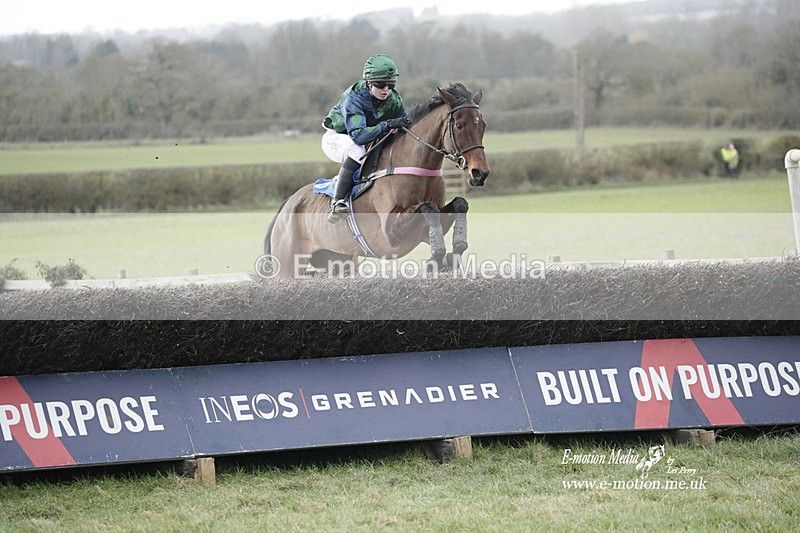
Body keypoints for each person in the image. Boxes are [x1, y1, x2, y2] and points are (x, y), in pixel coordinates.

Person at [321, 54, 411, 222]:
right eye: (380, 84)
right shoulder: (354, 97)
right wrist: (387, 125)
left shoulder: (394, 99)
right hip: (337, 137)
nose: (386, 89)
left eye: (390, 85)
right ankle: (338, 202)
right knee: (357, 150)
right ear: (369, 82)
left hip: (363, 137)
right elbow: (359, 136)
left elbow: (404, 126)